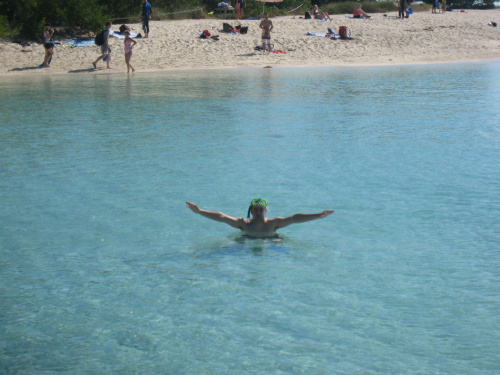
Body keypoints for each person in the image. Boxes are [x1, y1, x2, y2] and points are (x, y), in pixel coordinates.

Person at [186, 198, 334, 238]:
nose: (257, 212)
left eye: (260, 209)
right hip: (247, 240)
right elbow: (222, 217)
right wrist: (200, 212)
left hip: (270, 241)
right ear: (251, 211)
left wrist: (318, 216)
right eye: (254, 209)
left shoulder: (274, 223)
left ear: (266, 210)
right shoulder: (243, 223)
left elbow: (295, 218)